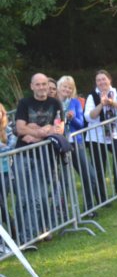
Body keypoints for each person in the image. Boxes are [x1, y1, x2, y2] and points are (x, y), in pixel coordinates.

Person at [14, 73, 64, 240]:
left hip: (44, 156)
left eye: (44, 84)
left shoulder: (55, 103)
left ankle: (38, 231)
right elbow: (20, 129)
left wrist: (36, 133)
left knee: (40, 197)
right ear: (32, 86)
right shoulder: (24, 103)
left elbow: (59, 129)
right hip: (23, 155)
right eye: (38, 84)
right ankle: (21, 236)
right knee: (23, 198)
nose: (41, 87)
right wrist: (42, 131)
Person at [84, 69, 117, 203]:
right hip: (97, 136)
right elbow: (88, 116)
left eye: (103, 79)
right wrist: (101, 104)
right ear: (96, 83)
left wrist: (112, 102)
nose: (101, 82)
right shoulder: (92, 96)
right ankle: (102, 198)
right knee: (99, 166)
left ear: (109, 80)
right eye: (98, 80)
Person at [57, 76, 100, 213]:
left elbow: (81, 124)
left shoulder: (75, 102)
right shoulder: (53, 103)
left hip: (76, 142)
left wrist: (72, 117)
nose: (67, 89)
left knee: (90, 175)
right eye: (64, 86)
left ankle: (89, 207)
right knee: (64, 181)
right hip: (59, 145)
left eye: (70, 87)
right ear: (59, 87)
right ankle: (61, 212)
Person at [0, 102, 17, 238]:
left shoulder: (8, 129)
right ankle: (12, 227)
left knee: (3, 201)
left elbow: (13, 145)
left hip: (6, 171)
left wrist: (3, 148)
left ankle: (13, 228)